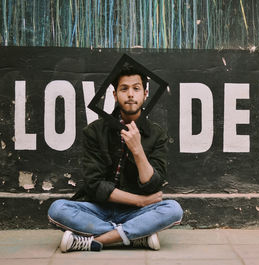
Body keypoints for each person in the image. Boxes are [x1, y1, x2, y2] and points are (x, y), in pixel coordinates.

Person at [47, 65, 183, 253]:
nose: (130, 95)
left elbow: (153, 185)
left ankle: (96, 240)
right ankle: (135, 236)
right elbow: (94, 185)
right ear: (114, 95)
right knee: (57, 209)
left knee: (173, 209)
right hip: (99, 209)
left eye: (136, 89)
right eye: (124, 89)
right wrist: (140, 201)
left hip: (136, 214)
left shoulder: (157, 134)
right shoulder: (94, 131)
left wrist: (137, 151)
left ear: (145, 94)